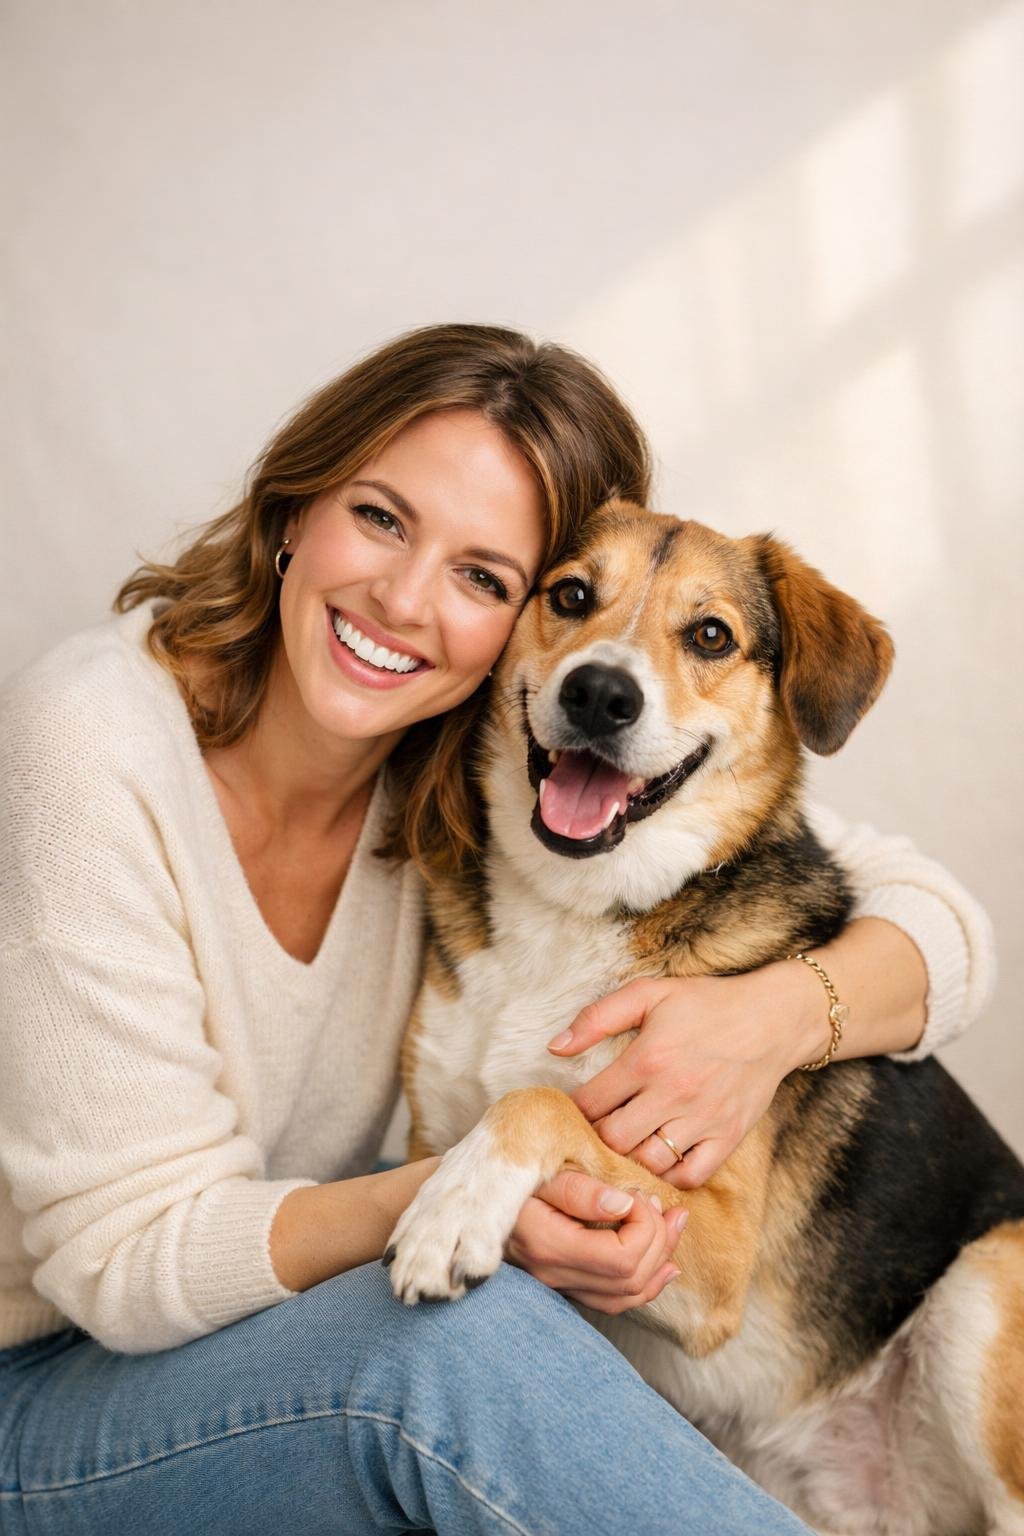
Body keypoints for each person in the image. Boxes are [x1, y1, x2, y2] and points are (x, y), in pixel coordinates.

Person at [0, 324, 993, 1534]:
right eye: (378, 517)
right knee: (460, 1346)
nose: (407, 600)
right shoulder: (88, 747)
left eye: (483, 576)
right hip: (52, 1381)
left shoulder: (453, 761)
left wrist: (774, 1016)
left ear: (502, 624)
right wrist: (485, 1181)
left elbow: (930, 916)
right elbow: (123, 1266)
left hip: (297, 1319)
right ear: (291, 507)